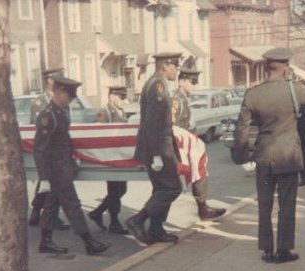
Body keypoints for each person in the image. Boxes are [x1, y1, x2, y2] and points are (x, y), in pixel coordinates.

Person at [233, 48, 305, 264]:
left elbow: (241, 129)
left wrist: (241, 156)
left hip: (264, 156)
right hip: (287, 156)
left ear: (266, 67)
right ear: (286, 68)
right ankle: (284, 250)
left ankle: (267, 249)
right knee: (287, 204)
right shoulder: (294, 90)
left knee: (265, 204)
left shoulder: (253, 94)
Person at [33, 75, 110, 255]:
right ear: (59, 93)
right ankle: (89, 242)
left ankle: (45, 242)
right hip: (56, 171)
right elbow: (40, 149)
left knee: (52, 205)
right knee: (72, 205)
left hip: (62, 168)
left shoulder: (60, 112)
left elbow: (64, 142)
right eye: (69, 95)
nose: (72, 99)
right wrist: (44, 178)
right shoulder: (48, 115)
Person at [126, 52, 182, 245]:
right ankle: (137, 220)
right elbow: (152, 123)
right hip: (157, 149)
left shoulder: (158, 84)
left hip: (158, 147)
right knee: (173, 188)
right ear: (165, 66)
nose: (177, 70)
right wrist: (157, 155)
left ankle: (156, 229)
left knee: (161, 189)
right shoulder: (157, 86)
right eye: (175, 66)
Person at [171, 67, 226, 220]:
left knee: (199, 173)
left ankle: (203, 208)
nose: (194, 85)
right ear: (181, 81)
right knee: (169, 189)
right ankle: (150, 220)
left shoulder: (183, 97)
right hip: (178, 148)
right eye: (192, 81)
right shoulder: (177, 99)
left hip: (185, 145)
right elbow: (172, 125)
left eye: (196, 81)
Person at [29, 67, 70, 230]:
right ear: (50, 81)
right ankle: (37, 212)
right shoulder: (40, 102)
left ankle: (45, 214)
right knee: (46, 182)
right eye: (58, 79)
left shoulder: (62, 100)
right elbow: (39, 130)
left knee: (51, 184)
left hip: (59, 151)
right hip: (48, 150)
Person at [88, 86, 129, 234]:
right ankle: (114, 222)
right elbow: (96, 133)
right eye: (121, 97)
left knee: (121, 189)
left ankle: (97, 213)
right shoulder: (104, 113)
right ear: (112, 96)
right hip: (109, 159)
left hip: (119, 157)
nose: (125, 100)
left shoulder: (121, 112)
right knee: (115, 189)